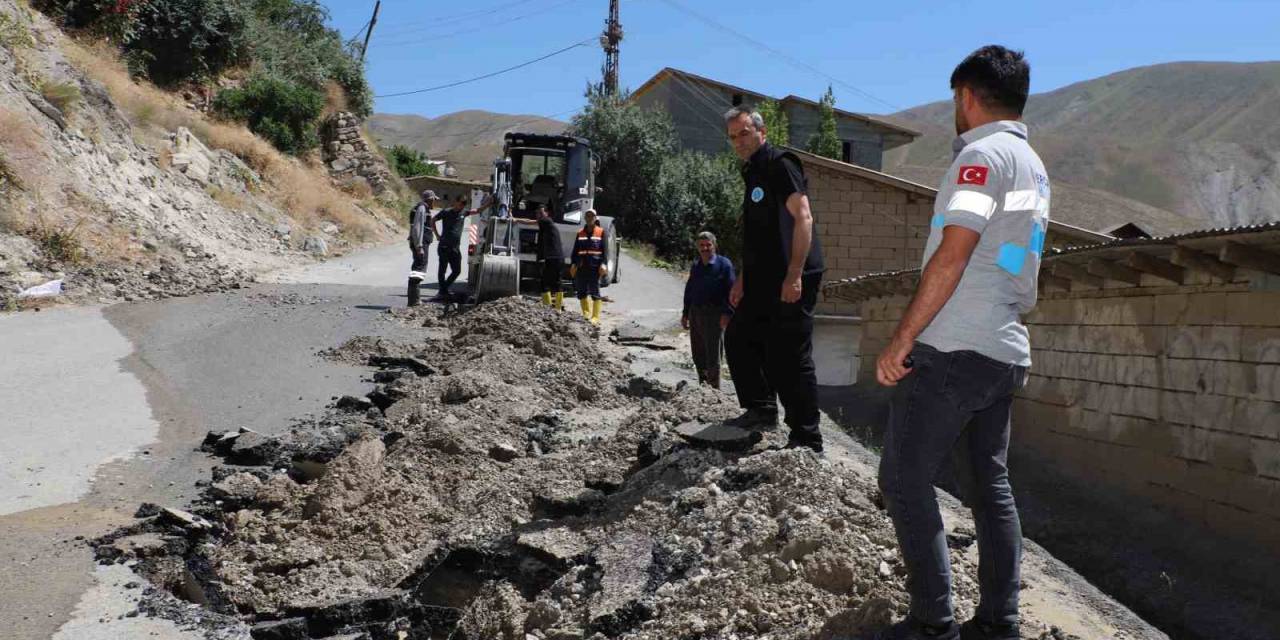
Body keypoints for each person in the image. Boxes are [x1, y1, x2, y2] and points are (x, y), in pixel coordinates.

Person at [872, 46, 1048, 640]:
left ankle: (932, 621)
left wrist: (903, 338)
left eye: (955, 100)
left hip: (954, 348)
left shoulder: (982, 159)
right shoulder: (1032, 167)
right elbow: (1011, 256)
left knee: (902, 477)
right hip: (1002, 346)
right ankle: (1000, 622)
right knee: (989, 486)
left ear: (968, 97)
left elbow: (954, 253)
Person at [721, 106, 825, 453]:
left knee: (789, 356)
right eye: (733, 137)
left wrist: (795, 275)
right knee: (739, 338)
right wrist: (742, 278)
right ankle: (762, 409)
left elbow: (804, 219)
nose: (739, 141)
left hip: (793, 274)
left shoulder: (782, 164)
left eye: (744, 133)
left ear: (761, 132)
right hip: (763, 277)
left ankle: (808, 439)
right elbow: (757, 233)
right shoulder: (751, 171)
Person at [682, 231, 735, 389]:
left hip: (714, 314)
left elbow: (731, 291)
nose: (705, 248)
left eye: (708, 245)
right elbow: (689, 290)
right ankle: (703, 385)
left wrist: (727, 313)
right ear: (698, 247)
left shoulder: (724, 265)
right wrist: (685, 314)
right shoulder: (696, 266)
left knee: (713, 354)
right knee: (698, 352)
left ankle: (714, 390)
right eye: (702, 245)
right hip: (696, 312)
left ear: (714, 246)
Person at [431, 193, 479, 302]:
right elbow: (432, 220)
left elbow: (477, 211)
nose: (462, 205)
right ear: (456, 202)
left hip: (455, 248)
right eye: (461, 203)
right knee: (442, 270)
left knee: (457, 270)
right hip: (444, 246)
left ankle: (443, 289)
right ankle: (442, 292)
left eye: (464, 204)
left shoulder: (464, 212)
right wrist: (437, 235)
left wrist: (488, 203)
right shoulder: (446, 212)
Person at [570, 209, 606, 325]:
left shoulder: (601, 232)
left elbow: (605, 251)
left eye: (592, 216)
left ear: (595, 218)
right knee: (581, 291)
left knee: (595, 291)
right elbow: (575, 251)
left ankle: (595, 317)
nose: (590, 218)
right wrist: (573, 263)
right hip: (581, 266)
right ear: (585, 218)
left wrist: (603, 264)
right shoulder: (580, 233)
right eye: (588, 216)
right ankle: (586, 314)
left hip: (595, 267)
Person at [406, 190, 438, 307]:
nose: (435, 202)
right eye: (434, 200)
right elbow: (417, 227)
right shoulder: (422, 209)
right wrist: (419, 246)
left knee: (418, 269)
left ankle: (414, 300)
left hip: (420, 243)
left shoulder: (421, 208)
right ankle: (414, 301)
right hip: (421, 244)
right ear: (430, 199)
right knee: (418, 269)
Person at [533, 204, 565, 310]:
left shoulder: (546, 221)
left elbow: (531, 222)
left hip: (554, 257)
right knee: (550, 283)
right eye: (538, 213)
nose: (539, 215)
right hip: (554, 257)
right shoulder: (545, 225)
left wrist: (515, 219)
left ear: (547, 213)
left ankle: (554, 308)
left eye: (541, 213)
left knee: (549, 283)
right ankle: (554, 308)